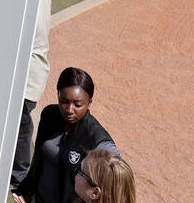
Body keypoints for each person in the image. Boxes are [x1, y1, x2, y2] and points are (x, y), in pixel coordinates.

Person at [13, 68, 120, 203]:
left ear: (89, 103)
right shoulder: (49, 115)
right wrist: (27, 192)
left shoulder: (97, 140)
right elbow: (38, 162)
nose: (69, 110)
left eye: (78, 104)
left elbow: (117, 181)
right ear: (57, 95)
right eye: (64, 102)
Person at [12, 0, 53, 189]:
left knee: (21, 127)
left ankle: (18, 176)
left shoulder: (27, 1)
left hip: (28, 77)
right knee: (20, 125)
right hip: (32, 74)